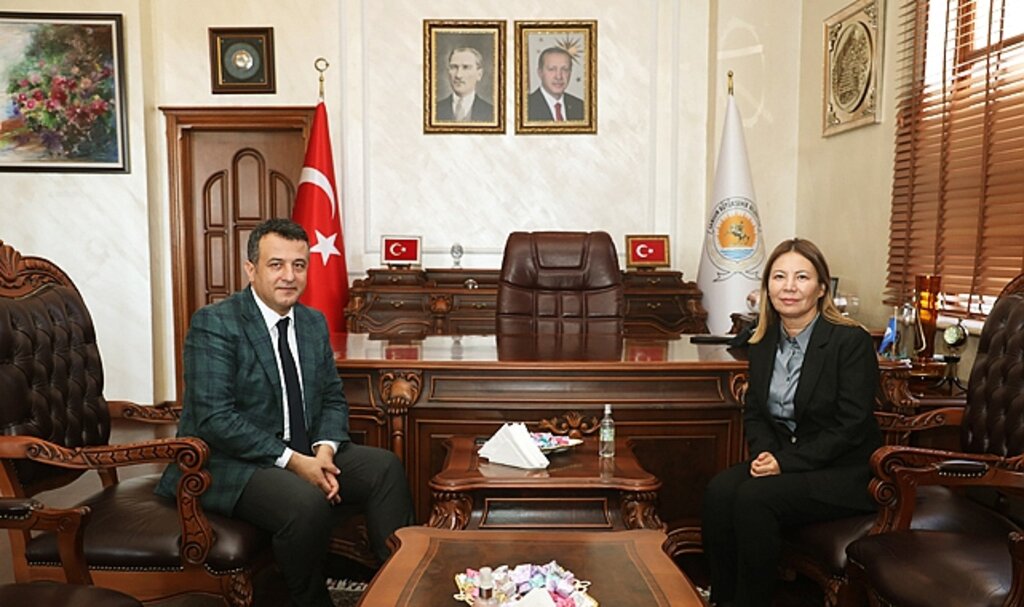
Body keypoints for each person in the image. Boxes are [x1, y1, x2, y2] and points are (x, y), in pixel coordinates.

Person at [156, 218, 414, 607]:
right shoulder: (215, 323)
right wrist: (294, 461)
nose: (289, 276)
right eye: (276, 264)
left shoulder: (311, 322)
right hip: (228, 463)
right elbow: (214, 419)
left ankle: (398, 592)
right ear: (251, 269)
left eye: (299, 265)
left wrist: (324, 451)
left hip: (304, 451)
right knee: (305, 502)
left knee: (384, 469)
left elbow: (332, 397)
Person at [701, 238, 882, 607]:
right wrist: (767, 455)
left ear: (821, 288)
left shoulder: (850, 342)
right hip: (787, 460)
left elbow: (851, 426)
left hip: (843, 471)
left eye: (802, 277)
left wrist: (784, 463)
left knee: (754, 498)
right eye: (779, 276)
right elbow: (755, 411)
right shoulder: (763, 340)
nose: (789, 287)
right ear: (767, 286)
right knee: (720, 490)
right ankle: (722, 599)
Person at [435, 46, 494, 122]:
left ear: (479, 74)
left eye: (466, 67)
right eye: (454, 67)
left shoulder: (491, 112)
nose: (458, 75)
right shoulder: (434, 109)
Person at [527, 47, 585, 122]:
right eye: (552, 69)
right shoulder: (526, 107)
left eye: (564, 69)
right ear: (540, 72)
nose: (559, 76)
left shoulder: (581, 107)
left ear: (570, 73)